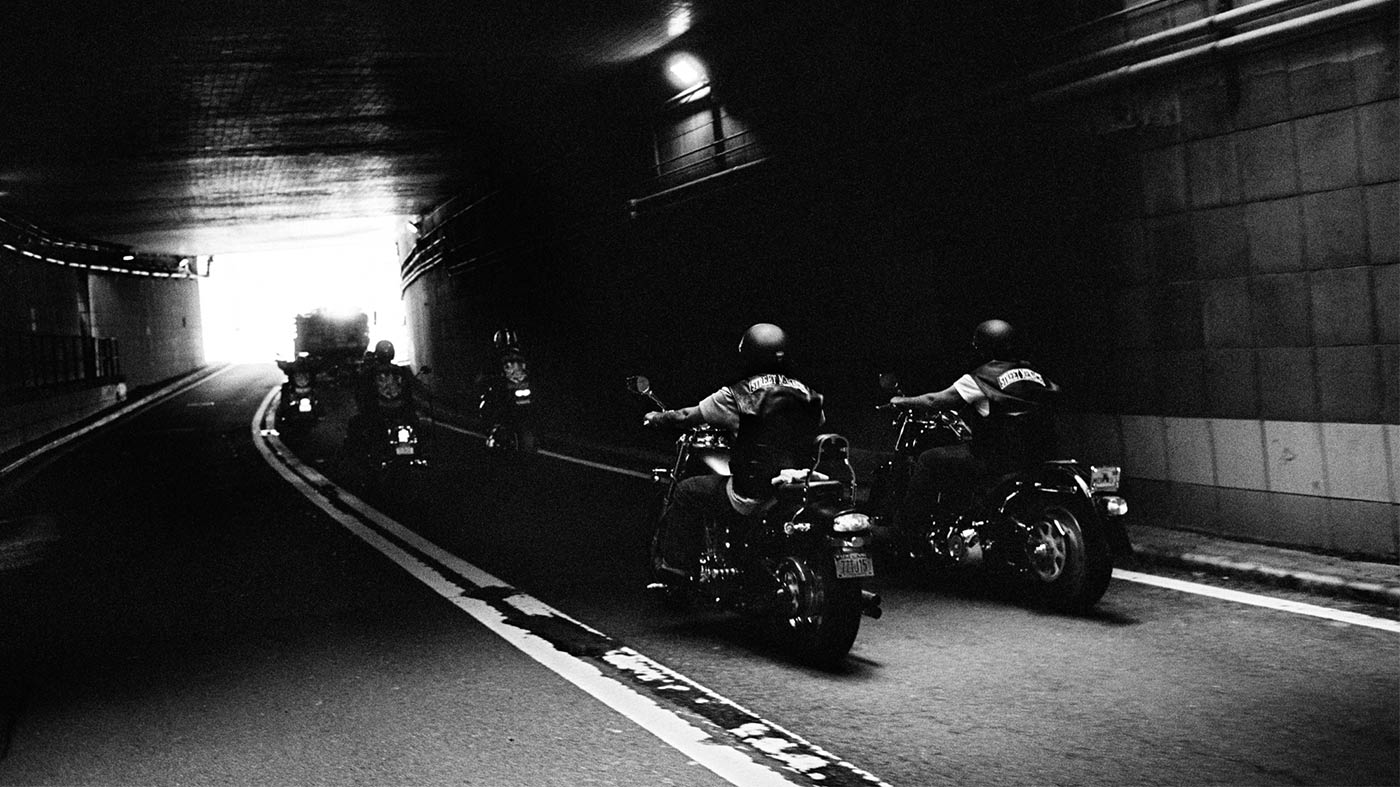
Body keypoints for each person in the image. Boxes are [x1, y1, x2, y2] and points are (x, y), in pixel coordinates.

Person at [643, 323, 825, 582]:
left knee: (686, 490)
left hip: (754, 492)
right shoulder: (809, 393)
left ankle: (676, 571)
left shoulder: (737, 394)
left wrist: (658, 418)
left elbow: (686, 416)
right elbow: (814, 425)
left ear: (748, 354)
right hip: (794, 486)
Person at [887, 319, 1061, 534]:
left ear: (983, 347)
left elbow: (933, 400)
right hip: (1036, 458)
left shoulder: (980, 377)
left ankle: (907, 531)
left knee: (928, 459)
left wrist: (901, 401)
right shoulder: (1036, 373)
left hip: (995, 460)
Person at [347, 339, 424, 452]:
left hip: (378, 410)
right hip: (401, 410)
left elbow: (360, 390)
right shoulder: (402, 370)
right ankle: (420, 450)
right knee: (418, 426)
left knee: (356, 426)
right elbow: (416, 386)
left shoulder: (369, 373)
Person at [476, 328, 534, 450]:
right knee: (487, 402)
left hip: (513, 390)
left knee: (487, 402)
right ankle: (493, 430)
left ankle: (492, 431)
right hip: (510, 389)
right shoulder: (520, 355)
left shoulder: (496, 357)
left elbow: (483, 375)